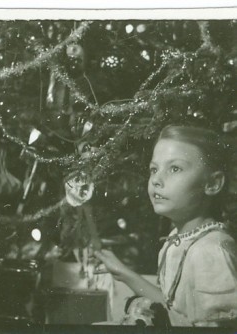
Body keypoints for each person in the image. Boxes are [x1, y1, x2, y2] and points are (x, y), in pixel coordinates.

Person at [94, 125, 237, 327]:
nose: (156, 180)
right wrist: (123, 272)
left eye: (175, 168)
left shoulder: (210, 251)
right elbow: (173, 309)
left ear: (212, 184)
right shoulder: (177, 239)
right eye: (154, 169)